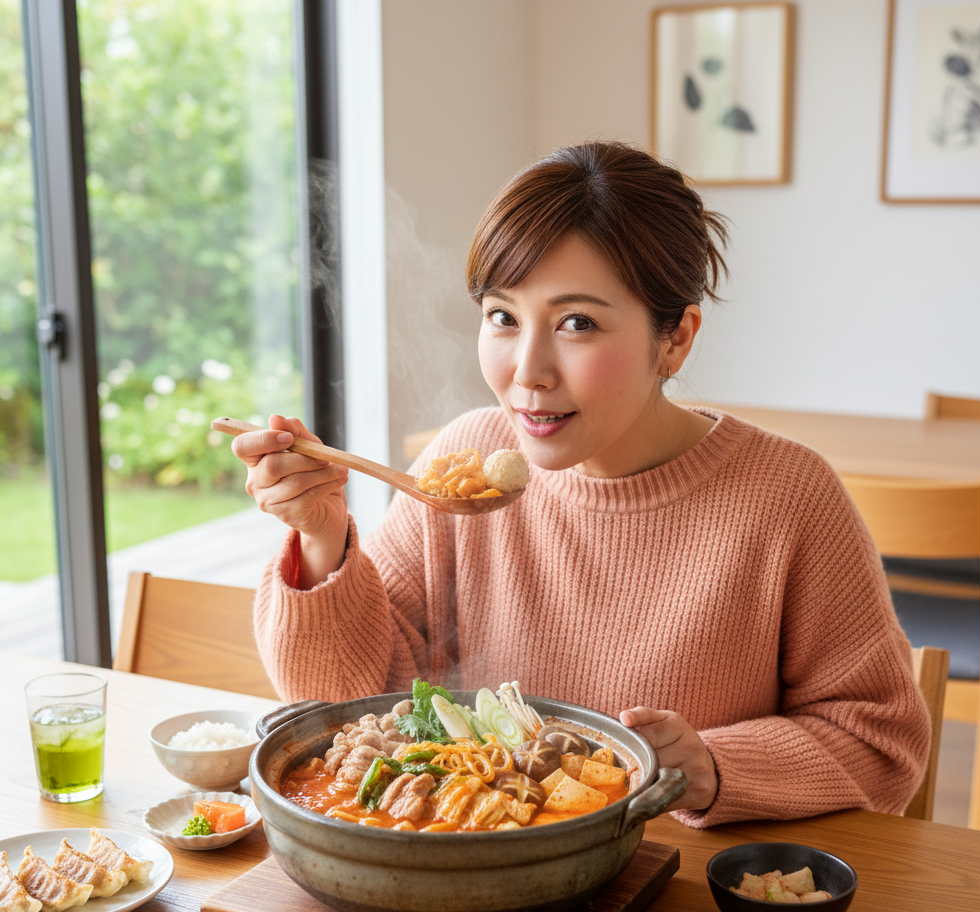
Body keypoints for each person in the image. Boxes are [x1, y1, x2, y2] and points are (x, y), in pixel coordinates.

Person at [232, 141, 929, 828]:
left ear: (675, 339)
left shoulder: (788, 496)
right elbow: (345, 706)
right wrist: (321, 534)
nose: (527, 370)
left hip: (679, 880)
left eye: (577, 323)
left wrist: (713, 767)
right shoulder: (464, 465)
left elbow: (880, 741)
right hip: (468, 869)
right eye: (503, 317)